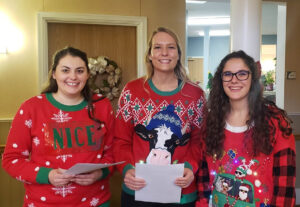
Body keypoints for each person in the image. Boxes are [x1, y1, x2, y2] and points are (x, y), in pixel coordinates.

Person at [2, 46, 115, 207]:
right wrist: (47, 175)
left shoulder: (102, 106)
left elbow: (112, 153)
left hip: (95, 201)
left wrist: (100, 173)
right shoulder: (32, 108)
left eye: (80, 71)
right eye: (65, 70)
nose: (73, 77)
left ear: (88, 75)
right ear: (54, 74)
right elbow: (11, 160)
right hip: (44, 203)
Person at [113, 27, 206, 207]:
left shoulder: (195, 95)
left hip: (181, 192)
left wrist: (190, 167)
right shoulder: (131, 92)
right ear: (149, 54)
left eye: (171, 47)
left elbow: (199, 140)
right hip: (138, 190)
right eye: (157, 47)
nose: (164, 53)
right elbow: (120, 139)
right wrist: (126, 168)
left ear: (178, 54)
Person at [196, 50, 296, 207]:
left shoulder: (276, 123)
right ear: (220, 80)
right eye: (227, 74)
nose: (234, 80)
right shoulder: (211, 122)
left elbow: (285, 186)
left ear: (253, 79)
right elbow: (203, 178)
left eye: (242, 74)